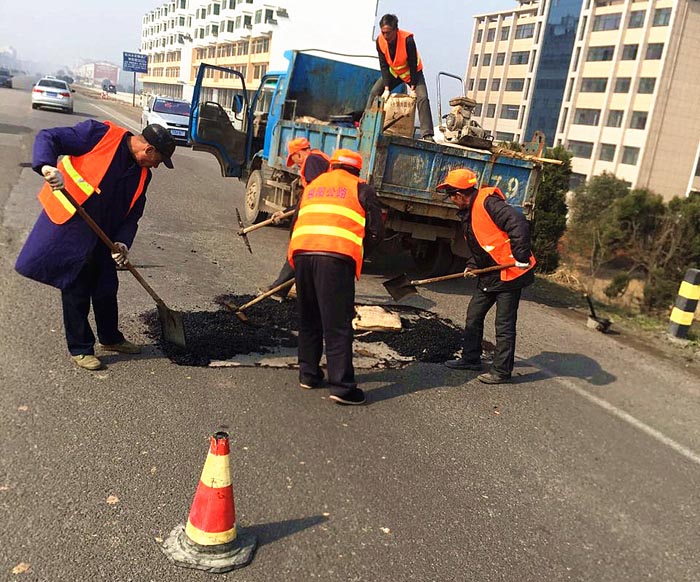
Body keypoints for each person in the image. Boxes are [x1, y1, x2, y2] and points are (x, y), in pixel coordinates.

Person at [15, 120, 176, 371]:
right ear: (149, 150)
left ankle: (110, 338)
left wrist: (122, 243)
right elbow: (49, 136)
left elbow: (133, 213)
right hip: (74, 226)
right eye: (158, 160)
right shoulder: (99, 134)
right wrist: (47, 167)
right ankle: (80, 348)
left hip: (105, 237)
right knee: (76, 288)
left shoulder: (143, 175)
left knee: (106, 289)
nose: (156, 165)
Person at [287, 148, 384, 405]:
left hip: (302, 253)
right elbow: (376, 231)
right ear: (356, 170)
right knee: (337, 323)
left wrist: (298, 255)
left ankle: (308, 374)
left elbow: (295, 222)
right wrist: (359, 254)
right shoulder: (361, 188)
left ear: (332, 166)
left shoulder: (314, 186)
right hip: (335, 259)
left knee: (309, 317)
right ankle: (342, 386)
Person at [437, 169, 536, 384]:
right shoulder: (468, 212)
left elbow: (518, 222)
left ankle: (501, 371)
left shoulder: (488, 203)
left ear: (460, 194)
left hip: (510, 273)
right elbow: (481, 242)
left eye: (451, 196)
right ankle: (471, 358)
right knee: (474, 314)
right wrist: (472, 264)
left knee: (504, 324)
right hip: (491, 273)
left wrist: (521, 255)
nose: (451, 201)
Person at [259, 137, 330, 300]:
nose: (296, 164)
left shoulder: (312, 161)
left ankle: (278, 290)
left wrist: (290, 213)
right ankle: (287, 289)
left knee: (299, 249)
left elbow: (312, 195)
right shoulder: (318, 159)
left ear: (299, 153)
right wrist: (286, 211)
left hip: (318, 214)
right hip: (323, 212)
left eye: (294, 159)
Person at [366, 13, 435, 142]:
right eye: (383, 32)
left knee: (423, 98)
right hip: (394, 72)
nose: (386, 36)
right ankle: (366, 124)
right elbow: (383, 65)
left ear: (396, 30)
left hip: (412, 73)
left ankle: (427, 134)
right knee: (375, 92)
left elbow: (413, 63)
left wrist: (413, 87)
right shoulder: (380, 41)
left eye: (388, 32)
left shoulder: (407, 39)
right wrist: (387, 88)